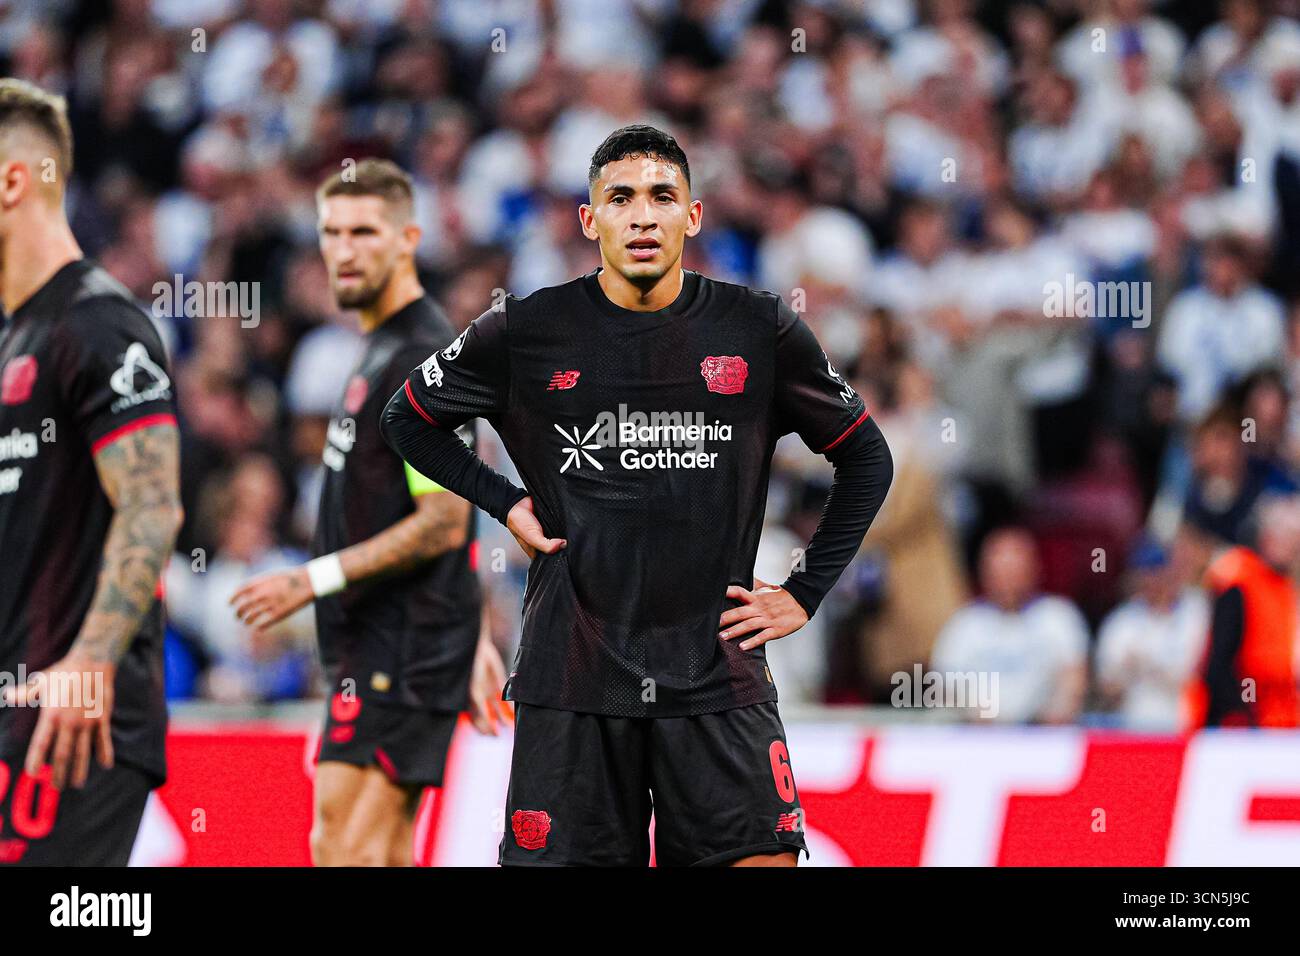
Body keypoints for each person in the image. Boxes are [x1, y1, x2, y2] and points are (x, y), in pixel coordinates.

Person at [382, 125, 893, 866]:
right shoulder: (527, 330)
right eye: (620, 198)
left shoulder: (759, 329)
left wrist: (805, 592)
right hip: (572, 679)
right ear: (590, 221)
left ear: (693, 215)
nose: (643, 216)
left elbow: (866, 460)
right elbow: (408, 419)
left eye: (663, 196)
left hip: (719, 676)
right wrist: (503, 500)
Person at [230, 159, 507, 867]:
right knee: (367, 853)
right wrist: (471, 630)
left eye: (364, 231)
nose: (343, 250)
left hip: (401, 652)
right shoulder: (378, 348)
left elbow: (443, 518)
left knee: (346, 850)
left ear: (408, 237)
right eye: (331, 232)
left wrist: (310, 580)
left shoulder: (417, 356)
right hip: (390, 645)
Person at [0, 79, 183, 865]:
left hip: (76, 721)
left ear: (12, 182)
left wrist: (88, 663)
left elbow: (153, 508)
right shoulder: (17, 340)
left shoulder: (98, 322)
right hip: (21, 708)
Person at [930, 528, 1089, 724]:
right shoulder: (965, 623)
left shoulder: (1058, 617)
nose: (1008, 582)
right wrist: (975, 714)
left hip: (1044, 737)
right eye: (1000, 572)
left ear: (1034, 569)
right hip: (976, 738)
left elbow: (1075, 680)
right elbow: (943, 688)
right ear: (984, 573)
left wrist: (1052, 714)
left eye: (1015, 572)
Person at [1186, 495, 1300, 728]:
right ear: (1268, 538)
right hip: (1241, 719)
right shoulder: (1238, 583)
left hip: (1279, 717)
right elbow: (1220, 662)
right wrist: (1243, 714)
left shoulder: (1284, 586)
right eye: (1291, 539)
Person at [1095, 537, 1209, 730]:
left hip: (1187, 724)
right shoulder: (1122, 622)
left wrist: (1148, 664)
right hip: (1134, 727)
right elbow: (1108, 685)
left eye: (1157, 573)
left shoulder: (1197, 611)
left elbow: (1198, 675)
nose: (1152, 581)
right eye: (1145, 574)